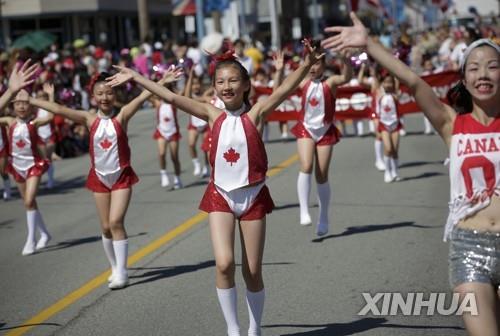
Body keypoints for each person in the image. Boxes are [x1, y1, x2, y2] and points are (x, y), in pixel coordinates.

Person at [106, 39, 324, 336]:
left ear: (246, 84)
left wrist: (307, 65)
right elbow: (170, 99)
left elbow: (285, 88)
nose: (226, 86)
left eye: (233, 79)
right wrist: (137, 77)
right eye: (220, 81)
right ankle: (233, 329)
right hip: (220, 195)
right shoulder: (211, 114)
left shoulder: (256, 113)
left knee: (253, 271)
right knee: (224, 264)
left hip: (253, 196)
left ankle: (254, 326)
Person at [323, 13, 500, 336]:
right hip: (469, 248)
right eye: (473, 68)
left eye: (492, 66)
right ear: (463, 78)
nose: (483, 74)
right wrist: (371, 45)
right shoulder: (451, 124)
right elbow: (415, 82)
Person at [29, 68, 180, 289]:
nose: (105, 97)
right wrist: (29, 98)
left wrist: (163, 80)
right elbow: (59, 108)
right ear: (93, 96)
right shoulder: (89, 119)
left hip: (121, 176)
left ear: (115, 95)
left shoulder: (122, 116)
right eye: (100, 93)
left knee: (116, 222)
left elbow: (142, 96)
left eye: (109, 93)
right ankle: (114, 267)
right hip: (99, 178)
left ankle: (122, 272)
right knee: (105, 227)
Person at [290, 41, 352, 236]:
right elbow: (280, 89)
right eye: (311, 63)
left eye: (317, 63)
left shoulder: (330, 82)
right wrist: (277, 72)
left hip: (325, 130)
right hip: (306, 129)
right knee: (306, 165)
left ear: (323, 65)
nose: (313, 67)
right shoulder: (302, 82)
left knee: (322, 174)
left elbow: (346, 77)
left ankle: (323, 216)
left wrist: (345, 60)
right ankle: (304, 210)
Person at [0, 61, 53, 255]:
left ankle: (30, 239)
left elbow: (51, 116)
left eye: (25, 103)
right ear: (12, 105)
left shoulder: (34, 122)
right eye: (18, 103)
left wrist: (50, 96)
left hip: (34, 165)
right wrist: (9, 92)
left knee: (30, 199)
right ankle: (45, 233)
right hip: (17, 166)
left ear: (30, 106)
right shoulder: (8, 122)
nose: (22, 106)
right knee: (29, 203)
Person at [372, 69, 402, 183]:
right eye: (386, 82)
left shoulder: (395, 94)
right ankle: (387, 172)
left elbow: (397, 83)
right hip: (384, 125)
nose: (388, 84)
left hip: (395, 124)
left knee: (395, 150)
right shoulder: (379, 93)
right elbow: (376, 111)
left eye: (390, 82)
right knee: (388, 148)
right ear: (382, 83)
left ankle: (395, 172)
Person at [35, 83, 56, 188]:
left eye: (44, 96)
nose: (42, 98)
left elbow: (53, 111)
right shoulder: (35, 109)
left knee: (49, 159)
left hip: (50, 136)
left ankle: (51, 180)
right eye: (39, 96)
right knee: (44, 160)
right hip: (39, 137)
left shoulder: (49, 107)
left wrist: (51, 95)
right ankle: (39, 180)